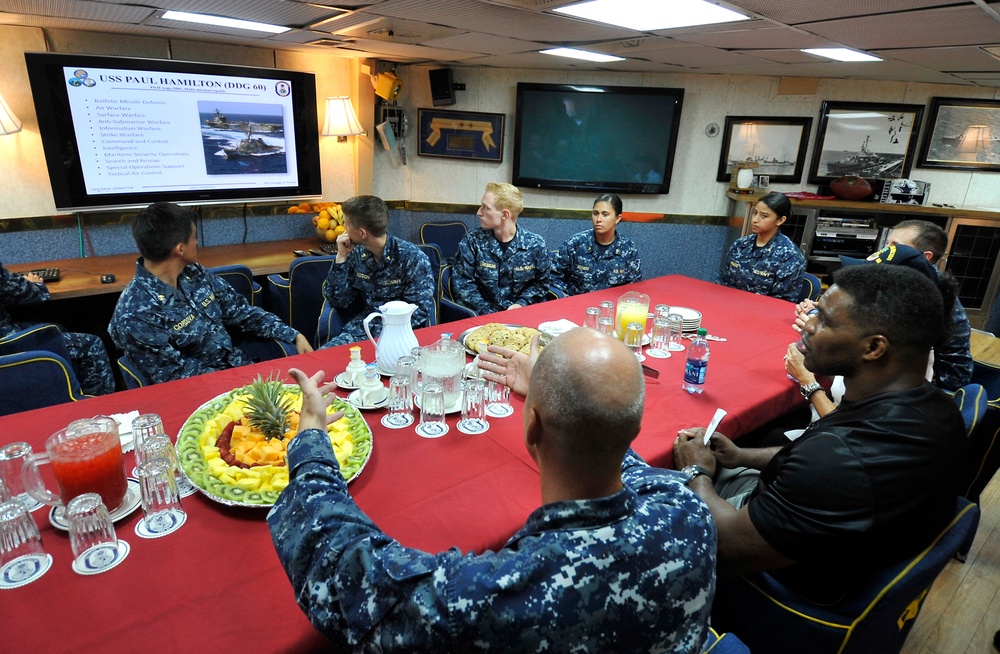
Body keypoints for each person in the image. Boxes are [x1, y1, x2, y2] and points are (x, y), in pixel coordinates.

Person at [269, 328, 717, 652]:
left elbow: (342, 571)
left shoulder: (501, 594)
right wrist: (549, 392)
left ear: (532, 428)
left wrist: (310, 441)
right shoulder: (691, 512)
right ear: (635, 429)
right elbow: (620, 452)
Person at [673, 264, 967, 605]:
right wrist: (741, 456)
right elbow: (810, 454)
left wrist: (694, 472)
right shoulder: (938, 411)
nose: (808, 325)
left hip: (775, 582)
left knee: (645, 481)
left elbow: (723, 548)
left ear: (874, 347)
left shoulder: (837, 464)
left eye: (824, 320)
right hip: (822, 539)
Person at [109, 202, 311, 384]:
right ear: (179, 249)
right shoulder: (136, 313)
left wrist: (294, 335)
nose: (197, 242)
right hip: (204, 391)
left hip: (237, 368)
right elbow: (177, 377)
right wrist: (244, 379)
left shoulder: (193, 272)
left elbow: (239, 311)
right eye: (194, 237)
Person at [792, 233, 972, 391]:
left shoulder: (904, 364)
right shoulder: (877, 342)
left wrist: (809, 384)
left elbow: (854, 422)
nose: (887, 248)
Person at [318, 195, 435, 348]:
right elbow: (338, 300)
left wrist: (381, 334)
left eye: (346, 226)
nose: (343, 231)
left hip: (401, 335)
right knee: (325, 356)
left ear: (362, 233)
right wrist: (340, 258)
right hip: (362, 330)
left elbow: (419, 311)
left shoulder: (412, 258)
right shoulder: (355, 253)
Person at [0, 265, 114, 395]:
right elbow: (25, 293)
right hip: (4, 341)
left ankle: (64, 394)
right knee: (92, 345)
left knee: (57, 329)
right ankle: (100, 407)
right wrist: (35, 284)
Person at [451, 182, 552, 314]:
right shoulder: (473, 241)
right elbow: (463, 285)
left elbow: (541, 284)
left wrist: (521, 304)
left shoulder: (535, 245)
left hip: (521, 316)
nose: (478, 212)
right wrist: (489, 314)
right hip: (483, 319)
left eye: (485, 208)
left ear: (505, 215)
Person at [718, 191, 805, 302]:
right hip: (727, 305)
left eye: (764, 216)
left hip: (759, 314)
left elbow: (782, 303)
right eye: (755, 213)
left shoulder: (789, 256)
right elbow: (722, 282)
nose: (755, 220)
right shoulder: (740, 244)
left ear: (780, 220)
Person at [552, 193, 642, 296]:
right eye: (595, 213)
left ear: (617, 218)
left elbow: (633, 286)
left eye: (605, 214)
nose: (598, 219)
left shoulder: (628, 249)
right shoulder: (575, 244)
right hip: (577, 306)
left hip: (612, 307)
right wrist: (567, 299)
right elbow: (555, 276)